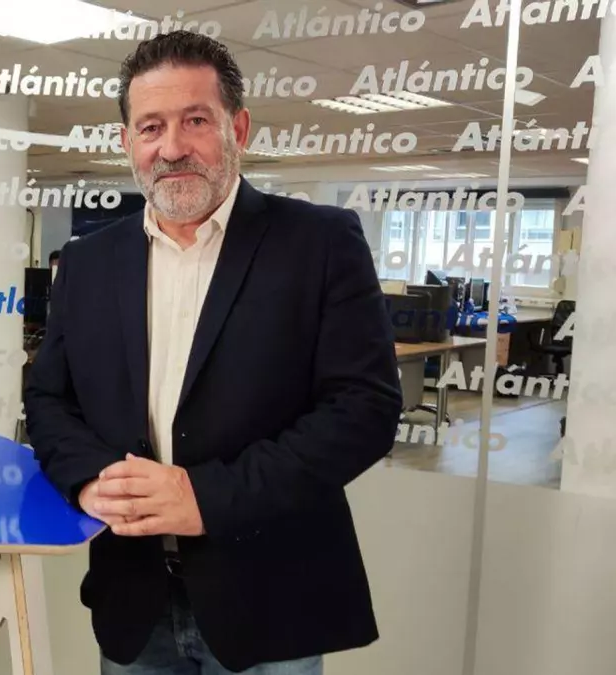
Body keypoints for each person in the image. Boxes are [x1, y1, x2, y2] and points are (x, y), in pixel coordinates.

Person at [23, 31, 402, 675]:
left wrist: (206, 497)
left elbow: (364, 410)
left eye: (195, 120)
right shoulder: (88, 262)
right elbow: (49, 399)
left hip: (271, 598)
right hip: (133, 596)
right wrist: (90, 480)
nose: (172, 147)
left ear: (238, 128)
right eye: (151, 127)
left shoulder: (319, 243)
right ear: (127, 141)